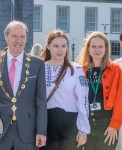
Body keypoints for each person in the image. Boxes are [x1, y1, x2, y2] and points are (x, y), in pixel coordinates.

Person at [40, 29, 90, 150]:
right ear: (48, 46)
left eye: (63, 46)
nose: (60, 50)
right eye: (56, 46)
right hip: (47, 123)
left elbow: (83, 100)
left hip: (70, 123)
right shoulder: (40, 68)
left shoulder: (76, 69)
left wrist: (83, 129)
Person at [0, 20, 47, 150]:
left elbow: (41, 101)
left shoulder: (37, 64)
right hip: (2, 130)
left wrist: (41, 131)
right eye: (14, 36)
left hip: (28, 131)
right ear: (6, 37)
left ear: (26, 39)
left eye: (22, 37)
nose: (18, 41)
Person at [77, 31, 122, 150]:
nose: (97, 50)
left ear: (106, 49)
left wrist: (114, 125)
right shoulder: (80, 70)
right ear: (88, 49)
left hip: (106, 125)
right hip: (86, 124)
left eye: (100, 46)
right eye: (93, 46)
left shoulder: (115, 70)